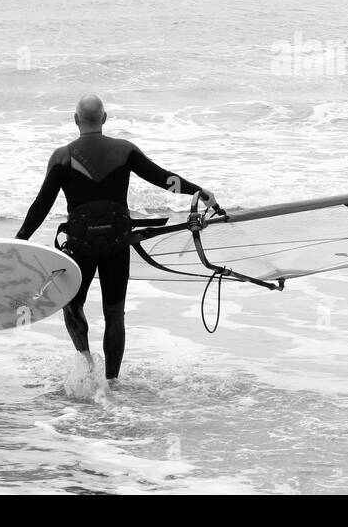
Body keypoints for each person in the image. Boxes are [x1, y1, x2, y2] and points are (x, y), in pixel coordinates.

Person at [15, 93, 217, 381]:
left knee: (73, 304)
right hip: (117, 243)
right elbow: (165, 180)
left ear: (75, 120)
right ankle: (111, 380)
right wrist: (200, 192)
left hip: (80, 245)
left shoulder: (62, 157)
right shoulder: (124, 150)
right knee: (114, 312)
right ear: (105, 119)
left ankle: (86, 361)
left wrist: (20, 239)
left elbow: (41, 205)